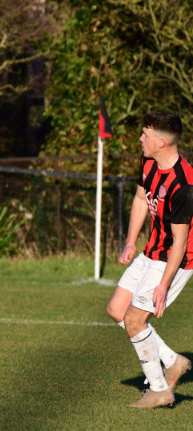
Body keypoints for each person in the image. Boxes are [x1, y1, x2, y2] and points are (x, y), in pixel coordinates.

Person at [105, 111, 193, 408]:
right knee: (117, 309)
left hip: (175, 259)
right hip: (152, 250)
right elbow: (141, 199)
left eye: (145, 135)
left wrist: (163, 285)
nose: (140, 139)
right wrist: (131, 241)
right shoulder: (148, 161)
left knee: (134, 319)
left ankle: (159, 390)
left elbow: (180, 242)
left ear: (161, 142)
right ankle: (172, 359)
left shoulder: (184, 185)